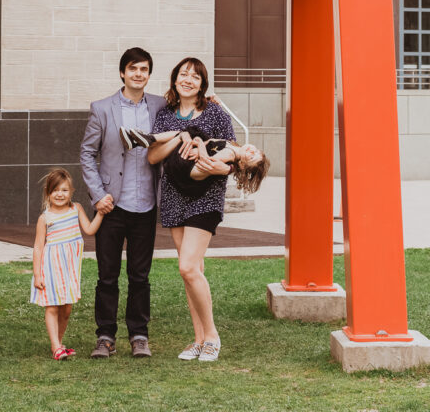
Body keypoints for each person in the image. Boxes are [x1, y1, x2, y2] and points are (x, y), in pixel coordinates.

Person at [79, 46, 166, 358]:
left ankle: (139, 334)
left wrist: (208, 101)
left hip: (145, 205)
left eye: (144, 70)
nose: (138, 74)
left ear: (149, 75)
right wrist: (98, 195)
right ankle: (105, 336)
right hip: (112, 206)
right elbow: (87, 154)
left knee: (140, 276)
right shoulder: (102, 109)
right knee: (107, 275)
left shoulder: (159, 105)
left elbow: (187, 108)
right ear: (122, 73)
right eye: (133, 69)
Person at [147, 57, 236, 363]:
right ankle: (198, 340)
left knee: (187, 266)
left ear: (202, 83)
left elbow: (233, 151)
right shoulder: (165, 116)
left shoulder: (215, 113)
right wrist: (179, 136)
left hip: (206, 197)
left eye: (194, 76)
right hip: (173, 196)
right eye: (183, 74)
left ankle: (212, 336)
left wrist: (202, 146)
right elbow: (153, 156)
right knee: (192, 272)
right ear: (174, 80)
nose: (188, 79)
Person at [31, 168, 105, 360]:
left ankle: (59, 343)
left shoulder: (76, 209)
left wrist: (101, 214)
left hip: (70, 268)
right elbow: (38, 247)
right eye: (55, 190)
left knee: (67, 308)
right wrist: (38, 274)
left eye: (64, 190)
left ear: (71, 191)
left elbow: (89, 229)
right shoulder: (45, 218)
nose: (60, 194)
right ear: (48, 193)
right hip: (51, 268)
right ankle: (55, 346)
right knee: (52, 306)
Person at [121, 124, 270, 199]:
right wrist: (201, 142)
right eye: (256, 151)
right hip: (186, 168)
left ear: (243, 165)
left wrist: (199, 145)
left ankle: (147, 139)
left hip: (185, 168)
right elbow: (211, 141)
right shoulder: (232, 146)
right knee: (190, 134)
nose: (252, 151)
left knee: (185, 133)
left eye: (252, 157)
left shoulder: (229, 154)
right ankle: (141, 141)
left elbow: (205, 161)